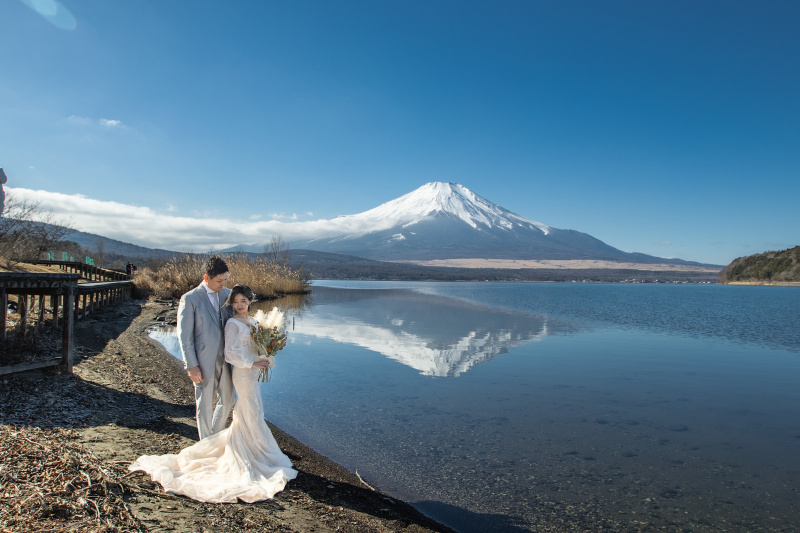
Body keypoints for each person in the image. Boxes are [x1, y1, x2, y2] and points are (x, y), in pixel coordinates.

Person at [129, 285, 297, 502]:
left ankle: (255, 447)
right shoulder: (232, 323)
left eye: (243, 301)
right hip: (243, 374)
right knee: (249, 408)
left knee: (254, 408)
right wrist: (251, 364)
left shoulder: (255, 322)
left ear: (250, 301)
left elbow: (258, 348)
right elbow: (230, 354)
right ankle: (249, 451)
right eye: (235, 301)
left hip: (253, 373)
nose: (239, 305)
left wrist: (266, 358)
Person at [177, 255, 234, 440]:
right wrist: (191, 365)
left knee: (228, 401)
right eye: (219, 281)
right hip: (202, 362)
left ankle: (215, 439)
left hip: (226, 360)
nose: (223, 284)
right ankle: (205, 444)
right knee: (205, 406)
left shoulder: (228, 295)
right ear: (206, 277)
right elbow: (184, 336)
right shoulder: (190, 299)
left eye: (225, 280)